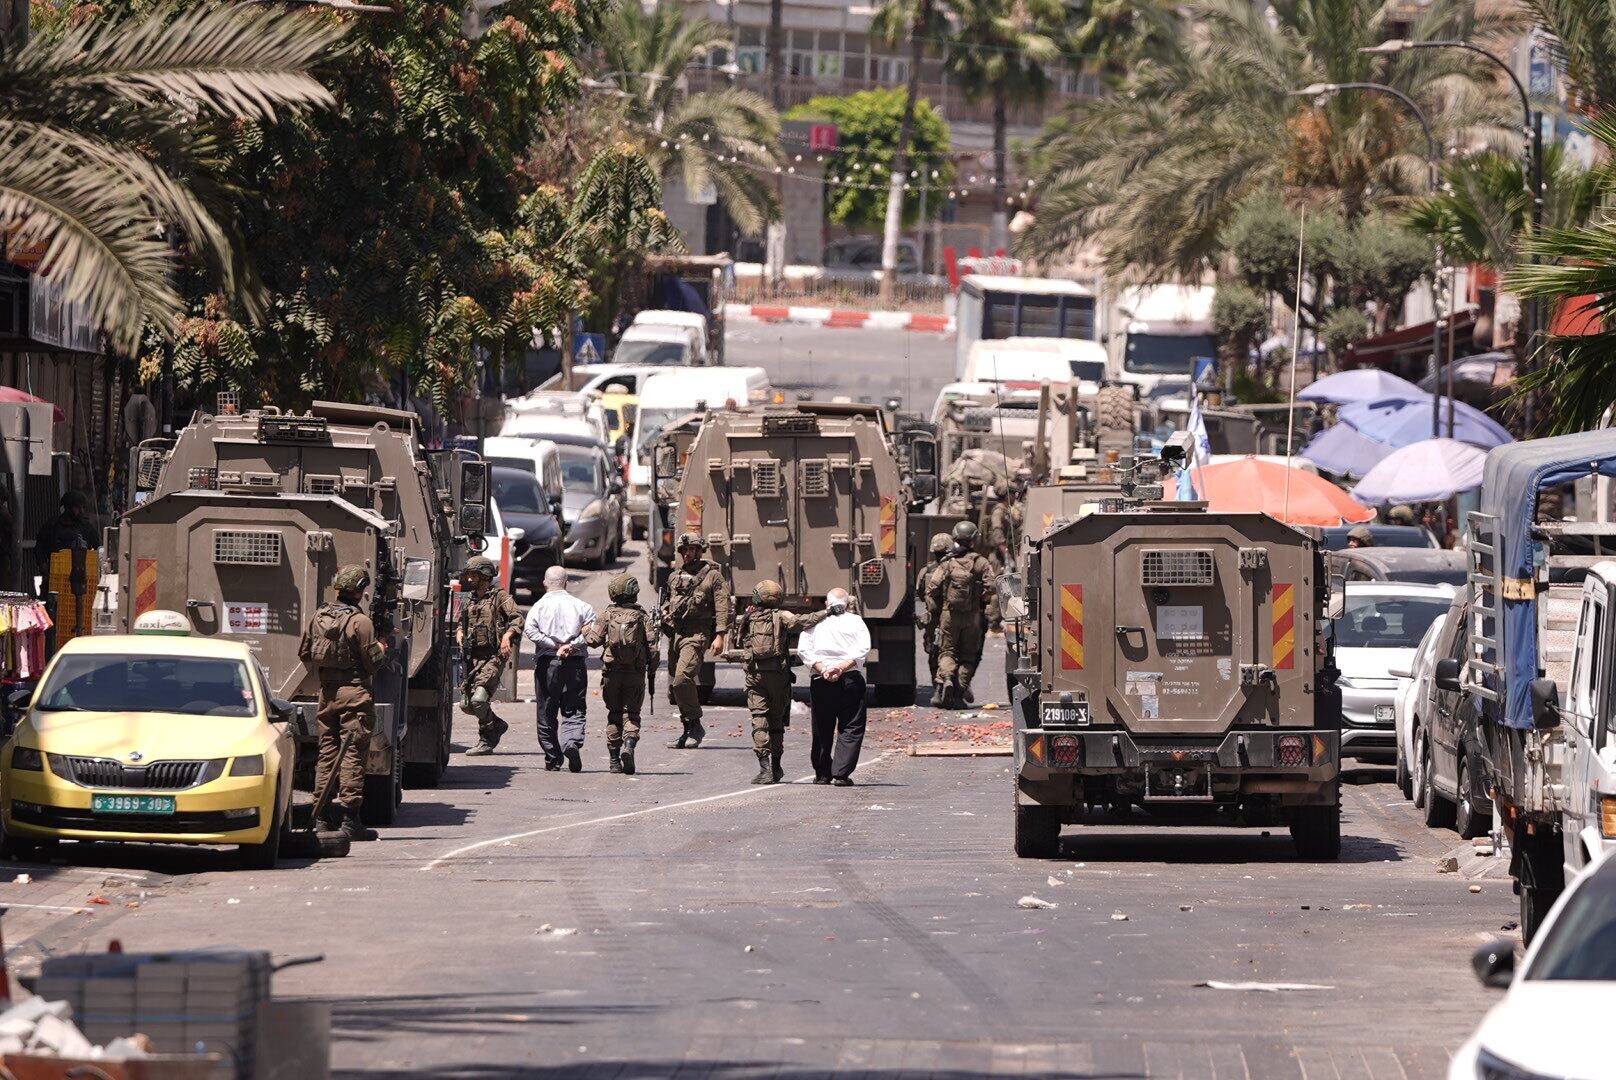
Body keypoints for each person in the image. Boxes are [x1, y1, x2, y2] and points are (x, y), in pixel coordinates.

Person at [298, 565, 387, 843]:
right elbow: (373, 664)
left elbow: (304, 653)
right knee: (351, 756)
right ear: (360, 591)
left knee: (326, 755)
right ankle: (351, 821)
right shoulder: (361, 623)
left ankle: (322, 818)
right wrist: (382, 649)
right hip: (355, 695)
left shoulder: (318, 616)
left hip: (327, 695)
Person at [733, 580, 826, 785]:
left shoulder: (748, 617)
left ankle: (764, 768)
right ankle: (776, 766)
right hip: (779, 676)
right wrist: (826, 612)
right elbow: (803, 621)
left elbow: (739, 641)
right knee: (776, 721)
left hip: (755, 676)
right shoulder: (782, 616)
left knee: (759, 719)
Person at [660, 533, 731, 749]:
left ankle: (696, 725)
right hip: (676, 635)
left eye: (692, 549)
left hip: (697, 634)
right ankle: (687, 728)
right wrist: (665, 613)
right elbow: (666, 602)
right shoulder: (674, 576)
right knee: (676, 687)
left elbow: (722, 606)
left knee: (683, 678)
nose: (687, 553)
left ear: (700, 551)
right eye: (684, 550)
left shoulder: (712, 576)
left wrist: (720, 635)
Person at [582, 573, 656, 775]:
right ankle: (629, 745)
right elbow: (653, 647)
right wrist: (651, 670)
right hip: (635, 673)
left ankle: (614, 761)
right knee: (631, 714)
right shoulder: (642, 617)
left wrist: (585, 630)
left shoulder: (607, 615)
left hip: (612, 673)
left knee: (614, 715)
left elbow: (594, 640)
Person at [525, 565, 597, 772]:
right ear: (566, 582)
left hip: (548, 663)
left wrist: (554, 645)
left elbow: (530, 631)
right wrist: (572, 645)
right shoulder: (582, 606)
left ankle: (553, 757)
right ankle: (571, 742)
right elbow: (593, 631)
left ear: (545, 583)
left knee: (546, 711)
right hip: (574, 663)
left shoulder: (538, 607)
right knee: (574, 707)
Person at [797, 588, 872, 786]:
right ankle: (841, 773)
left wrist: (824, 670)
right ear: (847, 604)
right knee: (851, 726)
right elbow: (863, 649)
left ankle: (822, 774)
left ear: (826, 604)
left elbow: (804, 650)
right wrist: (840, 668)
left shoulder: (815, 621)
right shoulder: (856, 621)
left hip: (821, 681)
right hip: (849, 679)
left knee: (822, 727)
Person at [458, 555, 524, 756]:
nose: (470, 579)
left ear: (484, 576)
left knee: (479, 700)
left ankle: (486, 739)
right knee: (466, 705)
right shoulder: (470, 598)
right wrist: (459, 633)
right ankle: (496, 723)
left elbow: (517, 619)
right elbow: (462, 622)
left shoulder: (500, 597)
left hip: (493, 656)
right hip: (473, 657)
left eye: (474, 575)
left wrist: (507, 637)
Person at [926, 520, 994, 708]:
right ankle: (959, 692)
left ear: (955, 538)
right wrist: (981, 598)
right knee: (968, 656)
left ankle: (947, 677)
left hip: (949, 615)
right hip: (973, 617)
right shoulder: (981, 562)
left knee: (947, 651)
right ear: (973, 540)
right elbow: (992, 586)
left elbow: (932, 588)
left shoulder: (947, 563)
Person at [916, 534, 952, 685]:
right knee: (951, 651)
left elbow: (920, 592)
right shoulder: (955, 567)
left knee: (932, 651)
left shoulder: (926, 570)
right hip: (951, 616)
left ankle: (936, 682)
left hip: (933, 618)